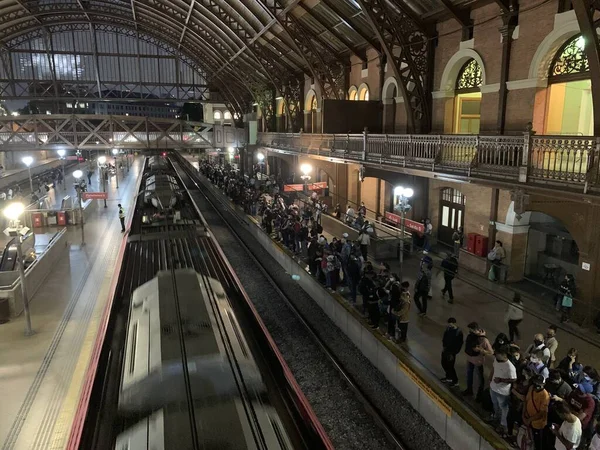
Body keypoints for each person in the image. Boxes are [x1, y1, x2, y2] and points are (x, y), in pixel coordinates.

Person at [489, 347, 517, 437]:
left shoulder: (510, 367)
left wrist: (501, 380)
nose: (495, 356)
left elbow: (513, 379)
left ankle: (503, 425)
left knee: (503, 408)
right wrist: (490, 378)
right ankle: (496, 418)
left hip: (502, 392)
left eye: (497, 354)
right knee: (495, 404)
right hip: (493, 387)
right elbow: (493, 368)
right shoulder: (497, 360)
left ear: (504, 356)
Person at [463, 322, 493, 402]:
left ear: (475, 330)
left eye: (471, 330)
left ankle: (479, 395)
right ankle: (469, 390)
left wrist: (481, 350)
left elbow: (491, 352)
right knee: (469, 375)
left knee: (480, 379)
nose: (469, 331)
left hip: (478, 361)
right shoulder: (471, 336)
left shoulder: (484, 339)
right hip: (470, 359)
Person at [523, 375, 550, 450]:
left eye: (539, 383)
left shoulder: (545, 396)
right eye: (536, 382)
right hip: (528, 418)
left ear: (543, 384)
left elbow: (541, 413)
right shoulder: (531, 388)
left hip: (537, 423)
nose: (537, 384)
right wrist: (523, 415)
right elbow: (526, 400)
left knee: (537, 442)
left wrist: (529, 420)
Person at [441, 318, 463, 387]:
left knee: (450, 366)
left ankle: (455, 381)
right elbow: (444, 338)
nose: (450, 325)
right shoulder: (448, 329)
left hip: (452, 352)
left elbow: (460, 343)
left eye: (451, 323)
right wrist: (444, 347)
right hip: (446, 350)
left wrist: (455, 352)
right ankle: (448, 377)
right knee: (443, 363)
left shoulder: (458, 332)